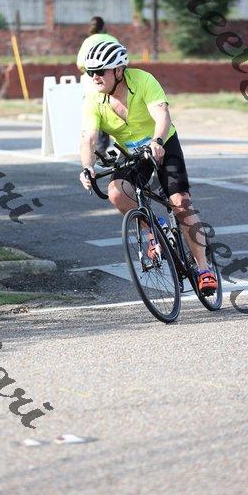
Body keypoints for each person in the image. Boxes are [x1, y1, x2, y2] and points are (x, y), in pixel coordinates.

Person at [79, 41, 218, 294]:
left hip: (162, 143)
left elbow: (162, 115)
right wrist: (87, 167)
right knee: (117, 192)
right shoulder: (93, 99)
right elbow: (88, 137)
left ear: (118, 71)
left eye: (100, 71)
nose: (95, 77)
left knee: (180, 202)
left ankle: (204, 269)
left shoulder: (143, 80)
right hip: (131, 153)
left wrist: (157, 141)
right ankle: (155, 230)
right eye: (91, 72)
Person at [76, 17, 119, 155]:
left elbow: (80, 64)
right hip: (113, 83)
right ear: (104, 27)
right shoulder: (112, 39)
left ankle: (100, 146)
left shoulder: (88, 41)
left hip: (92, 85)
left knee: (96, 114)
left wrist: (93, 71)